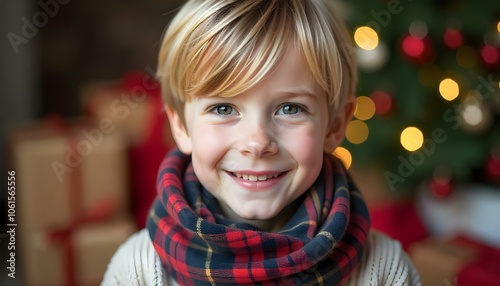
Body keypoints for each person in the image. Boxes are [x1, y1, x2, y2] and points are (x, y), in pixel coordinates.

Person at [102, 0, 421, 285]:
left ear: (335, 126)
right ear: (181, 126)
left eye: (290, 108)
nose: (256, 143)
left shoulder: (384, 269)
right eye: (223, 108)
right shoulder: (137, 271)